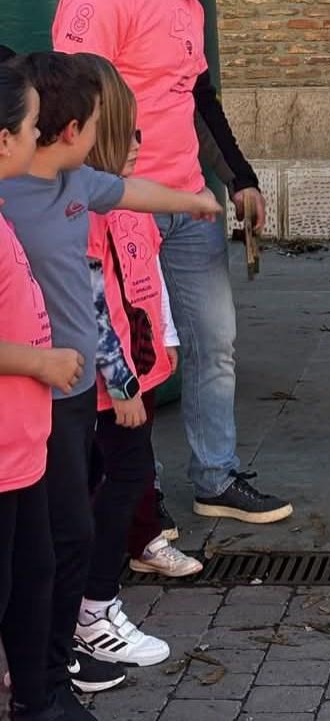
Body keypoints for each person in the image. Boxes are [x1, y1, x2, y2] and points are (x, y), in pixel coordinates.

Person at [52, 0, 291, 524]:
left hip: (189, 203)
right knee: (134, 357)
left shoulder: (187, 6)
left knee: (216, 342)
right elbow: (70, 90)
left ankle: (216, 478)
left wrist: (238, 178)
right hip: (121, 209)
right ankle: (138, 502)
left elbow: (199, 99)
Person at [0, 52, 220, 698]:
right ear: (69, 132)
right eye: (98, 124)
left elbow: (132, 192)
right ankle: (46, 660)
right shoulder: (11, 196)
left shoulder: (77, 184)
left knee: (65, 535)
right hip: (28, 392)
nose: (106, 139)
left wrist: (193, 201)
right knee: (51, 538)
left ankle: (53, 653)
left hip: (70, 395)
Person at [74, 58, 203, 671]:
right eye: (127, 131)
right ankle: (91, 608)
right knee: (114, 483)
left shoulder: (130, 200)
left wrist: (167, 336)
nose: (140, 144)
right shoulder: (82, 212)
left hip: (139, 374)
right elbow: (92, 304)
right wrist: (121, 383)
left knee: (125, 480)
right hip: (107, 390)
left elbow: (147, 277)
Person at [0, 60, 92, 721]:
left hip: (23, 449)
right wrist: (39, 363)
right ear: (4, 139)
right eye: (32, 128)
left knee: (33, 576)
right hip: (5, 455)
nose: (40, 141)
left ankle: (39, 700)